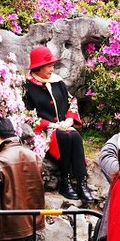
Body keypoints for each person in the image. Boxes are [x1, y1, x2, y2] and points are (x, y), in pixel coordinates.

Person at [22, 45, 95, 200]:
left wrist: (69, 120)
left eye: (52, 66)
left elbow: (72, 102)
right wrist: (53, 125)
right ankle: (65, 181)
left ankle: (82, 182)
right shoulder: (27, 88)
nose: (51, 69)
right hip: (44, 130)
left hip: (64, 126)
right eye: (49, 66)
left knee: (74, 137)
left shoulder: (58, 82)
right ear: (38, 68)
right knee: (65, 137)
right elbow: (27, 115)